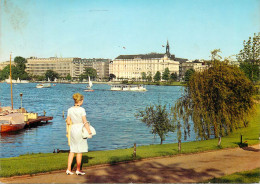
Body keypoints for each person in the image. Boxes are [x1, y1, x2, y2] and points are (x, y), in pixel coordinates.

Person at [66, 93, 92, 175]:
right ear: (80, 101)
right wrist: (89, 132)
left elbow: (68, 122)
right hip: (80, 129)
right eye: (82, 100)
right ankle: (78, 169)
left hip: (73, 129)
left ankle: (69, 169)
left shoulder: (69, 109)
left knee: (72, 150)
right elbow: (85, 121)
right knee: (79, 151)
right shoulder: (82, 110)